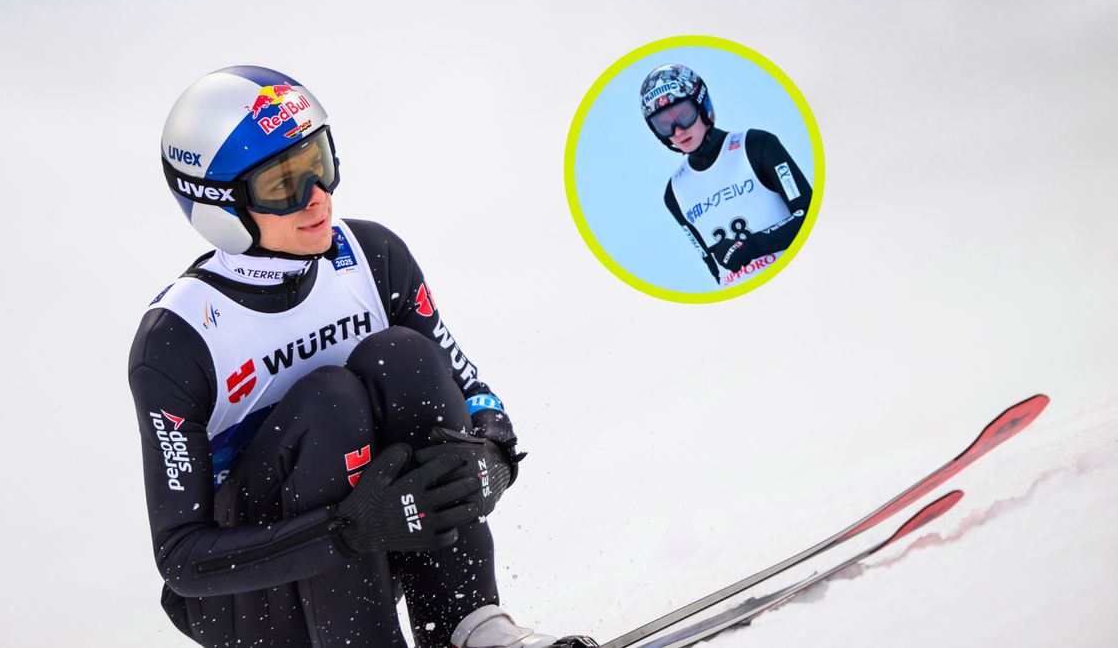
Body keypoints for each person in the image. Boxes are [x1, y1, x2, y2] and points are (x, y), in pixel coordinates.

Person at [130, 65, 596, 648]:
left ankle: (471, 627)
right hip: (252, 602)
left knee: (404, 358)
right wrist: (344, 530)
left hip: (374, 537)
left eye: (318, 165)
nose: (317, 199)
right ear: (220, 206)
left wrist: (494, 453)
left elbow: (469, 388)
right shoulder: (178, 339)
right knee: (329, 399)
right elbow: (182, 560)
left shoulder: (371, 257)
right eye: (283, 185)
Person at [639, 64, 813, 288]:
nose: (678, 130)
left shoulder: (756, 145)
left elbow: (809, 213)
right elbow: (712, 266)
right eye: (664, 125)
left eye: (684, 115)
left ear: (702, 106)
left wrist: (752, 246)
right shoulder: (674, 192)